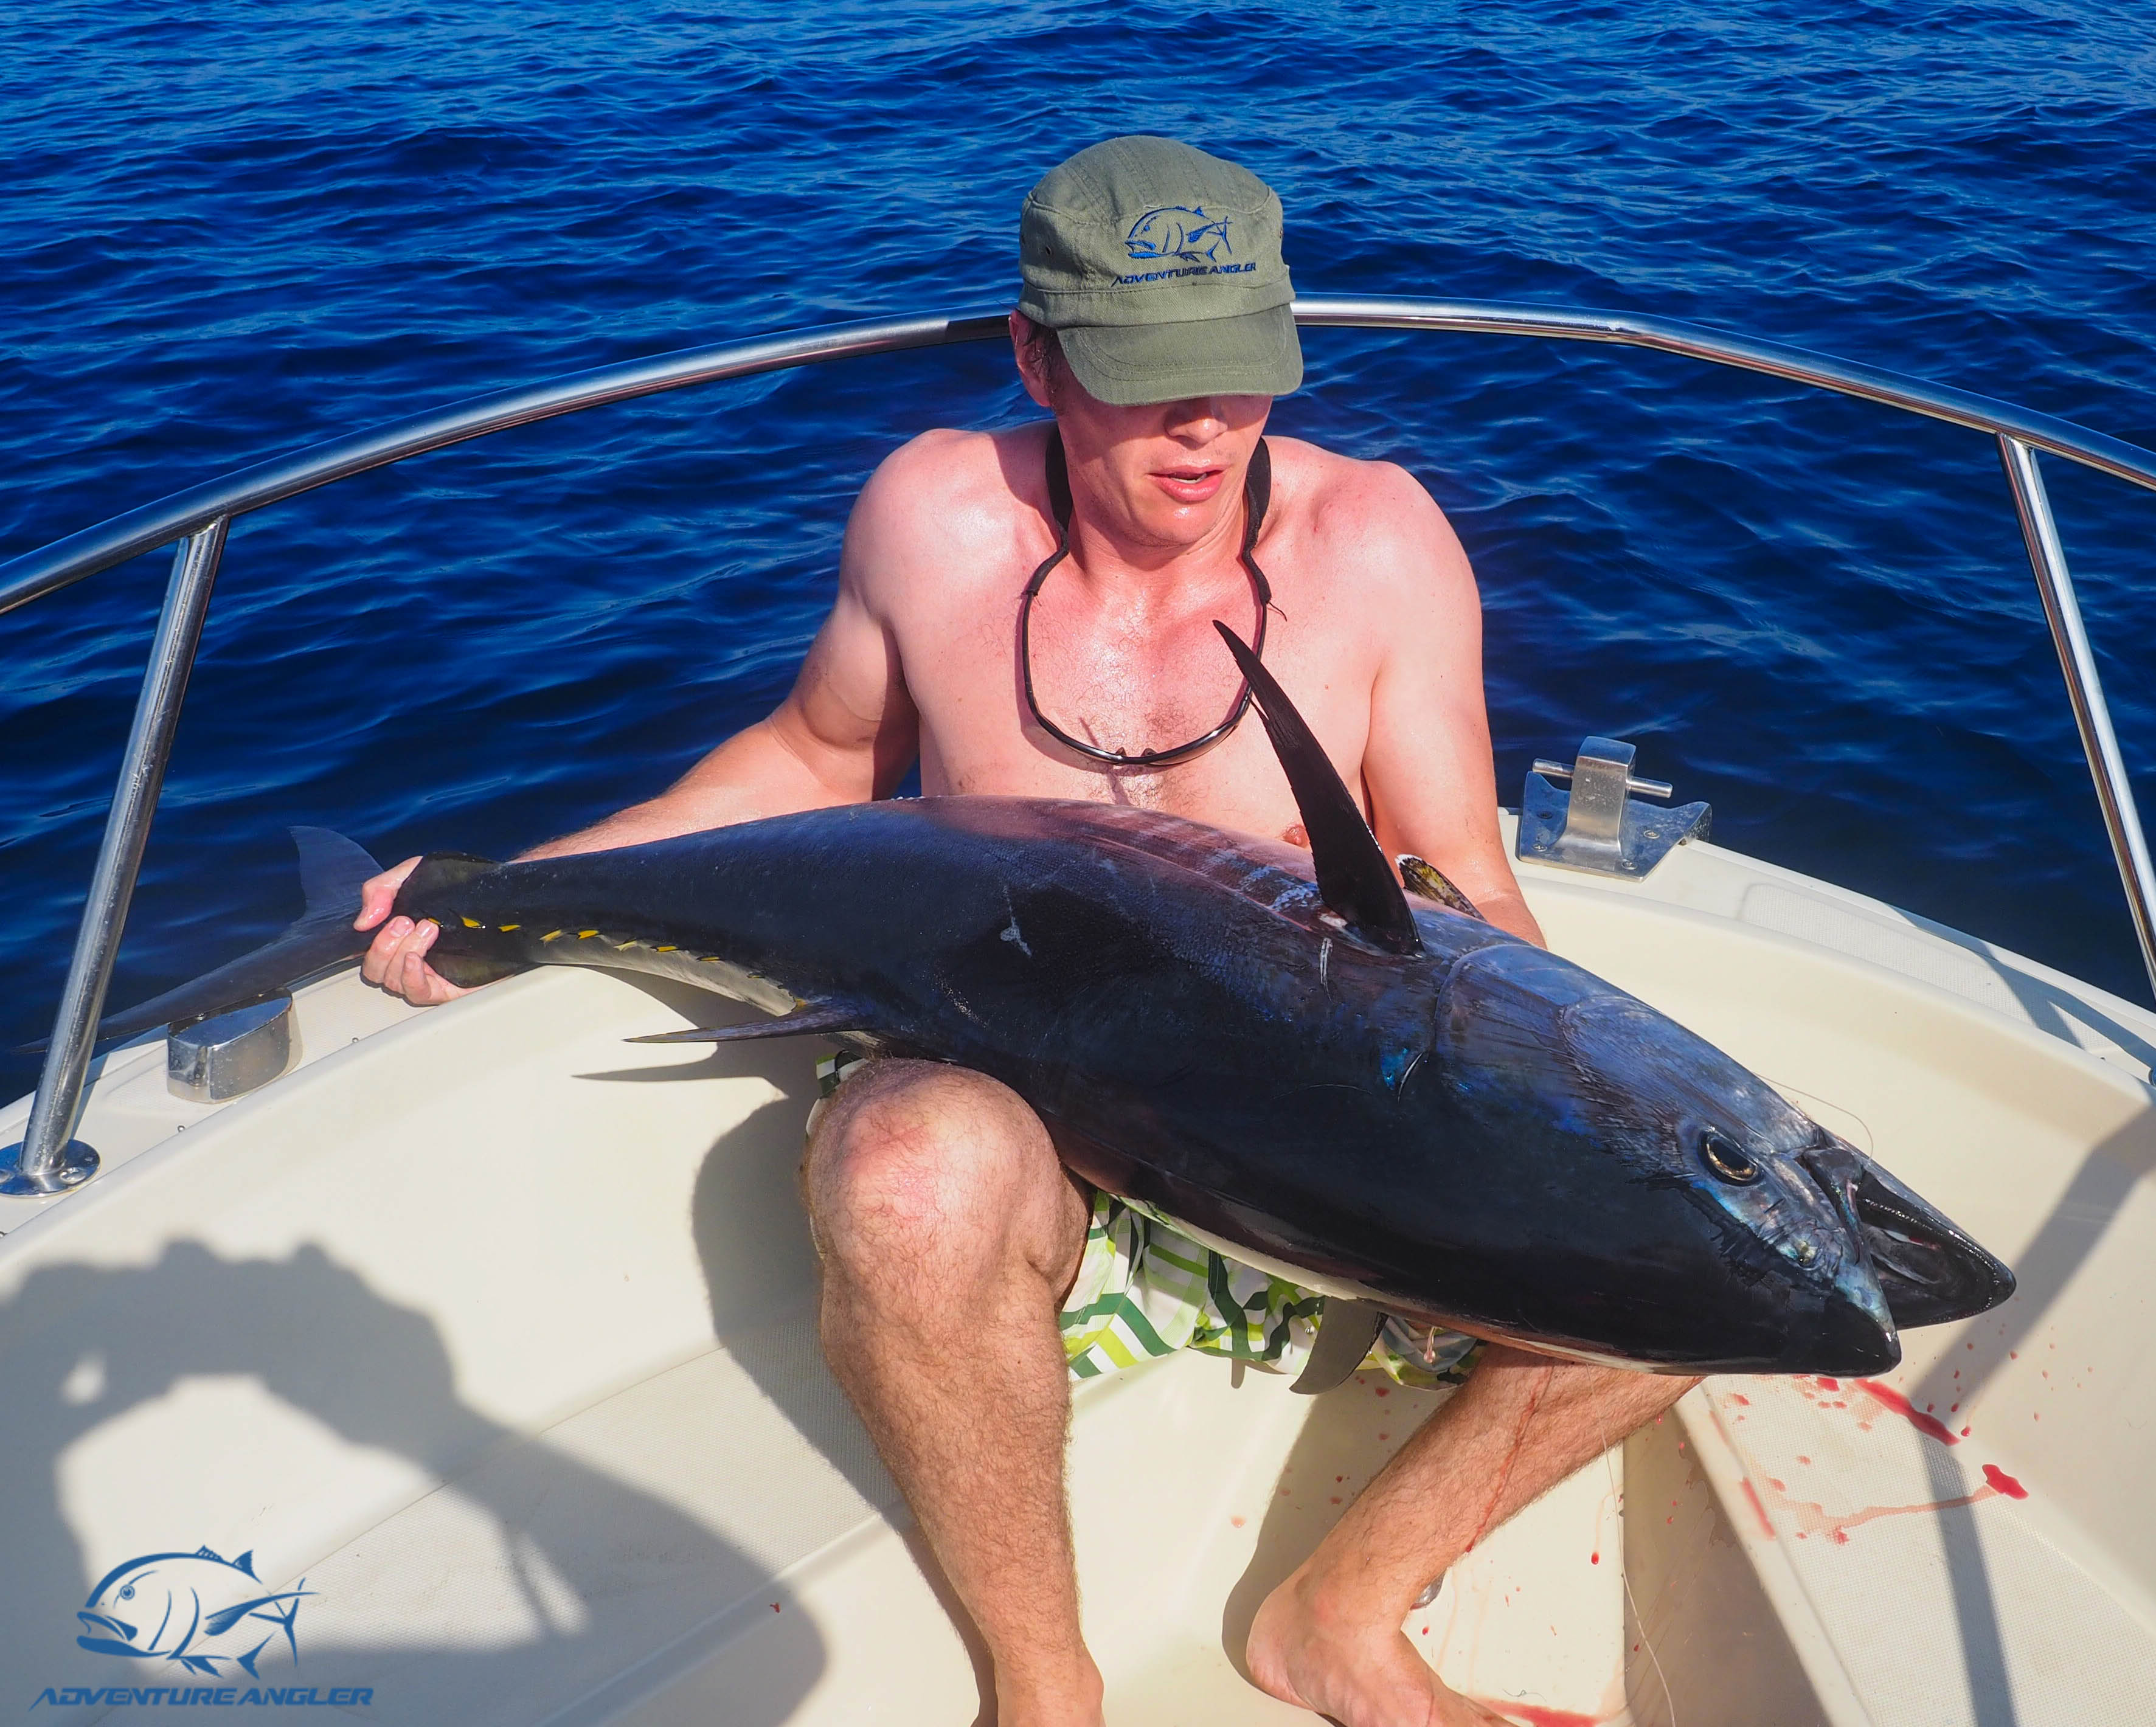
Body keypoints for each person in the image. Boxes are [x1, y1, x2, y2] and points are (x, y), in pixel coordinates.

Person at [355, 135, 1695, 1727]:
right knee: (906, 1174)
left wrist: (1542, 1107)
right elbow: (810, 762)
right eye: (1146, 377)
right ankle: (1043, 1683)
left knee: (1703, 1250)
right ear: (1036, 357)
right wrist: (503, 887)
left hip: (1312, 1118)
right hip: (1011, 1078)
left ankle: (1341, 1614)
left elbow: (1466, 875)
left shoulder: (1377, 545)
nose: (1204, 425)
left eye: (1240, 372)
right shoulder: (935, 518)